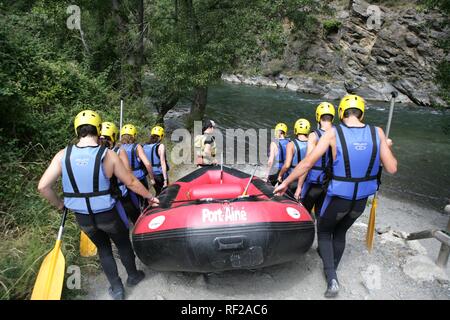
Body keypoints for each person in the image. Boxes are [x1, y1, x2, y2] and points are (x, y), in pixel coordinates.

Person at [274, 95, 397, 298]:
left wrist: (286, 183)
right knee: (340, 233)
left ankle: (331, 278)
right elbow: (391, 167)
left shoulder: (332, 133)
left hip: (339, 197)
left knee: (324, 231)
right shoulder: (378, 133)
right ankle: (333, 266)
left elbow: (307, 163)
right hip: (361, 200)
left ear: (341, 113)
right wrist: (386, 146)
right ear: (362, 113)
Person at [38, 110, 159, 300]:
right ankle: (133, 276)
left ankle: (117, 289)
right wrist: (150, 197)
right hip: (108, 215)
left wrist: (60, 205)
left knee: (103, 249)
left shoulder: (62, 155)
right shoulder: (108, 154)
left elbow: (43, 186)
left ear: (77, 129)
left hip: (83, 217)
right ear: (99, 128)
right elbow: (131, 182)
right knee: (123, 244)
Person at [99, 121, 140, 224]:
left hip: (105, 195)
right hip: (122, 191)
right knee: (136, 214)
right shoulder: (118, 151)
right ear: (113, 136)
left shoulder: (94, 153)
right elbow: (128, 173)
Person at [301, 102, 336, 216]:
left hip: (314, 182)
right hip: (330, 183)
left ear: (318, 116)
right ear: (333, 117)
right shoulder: (339, 134)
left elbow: (307, 162)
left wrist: (299, 187)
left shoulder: (314, 135)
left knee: (305, 212)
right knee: (321, 214)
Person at [119, 124, 155, 210]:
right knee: (145, 202)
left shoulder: (118, 148)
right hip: (139, 178)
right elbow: (147, 164)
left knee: (134, 204)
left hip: (125, 180)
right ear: (134, 135)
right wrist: (151, 178)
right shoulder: (137, 147)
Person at [277, 119, 310, 197]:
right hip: (305, 180)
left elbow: (287, 165)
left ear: (296, 129)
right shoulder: (311, 144)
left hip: (291, 179)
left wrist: (280, 175)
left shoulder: (291, 144)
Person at [143, 125, 169, 195]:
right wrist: (165, 180)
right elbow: (163, 163)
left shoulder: (144, 146)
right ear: (161, 136)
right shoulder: (160, 146)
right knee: (165, 193)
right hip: (159, 174)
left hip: (150, 174)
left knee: (158, 192)